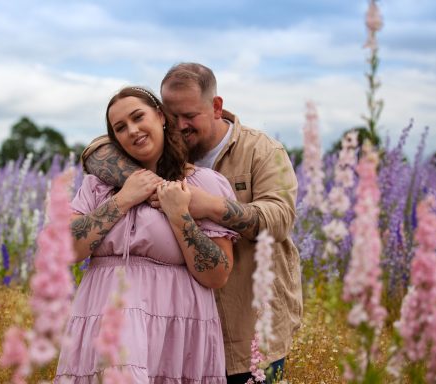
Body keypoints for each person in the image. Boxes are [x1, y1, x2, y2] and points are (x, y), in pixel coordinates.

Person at [82, 63, 302, 383]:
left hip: (249, 328)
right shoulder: (164, 149)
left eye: (189, 116)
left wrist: (210, 206)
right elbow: (95, 151)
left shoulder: (261, 150)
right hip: (180, 332)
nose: (180, 125)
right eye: (171, 116)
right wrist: (154, 189)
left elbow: (280, 219)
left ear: (216, 107)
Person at [55, 86, 239, 383]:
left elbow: (217, 275)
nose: (132, 130)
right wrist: (123, 199)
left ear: (160, 116)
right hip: (104, 318)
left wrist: (179, 215)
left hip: (173, 325)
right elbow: (67, 249)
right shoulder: (97, 186)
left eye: (138, 117)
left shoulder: (203, 184)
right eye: (120, 128)